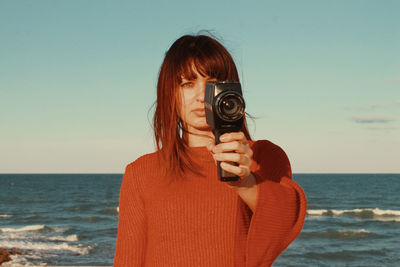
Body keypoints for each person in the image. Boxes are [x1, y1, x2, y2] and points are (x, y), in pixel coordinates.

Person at [113, 33, 307, 267]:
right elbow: (128, 261)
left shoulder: (262, 157)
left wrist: (244, 182)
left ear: (230, 90)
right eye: (187, 83)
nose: (201, 96)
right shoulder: (141, 172)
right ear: (170, 93)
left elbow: (284, 224)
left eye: (212, 83)